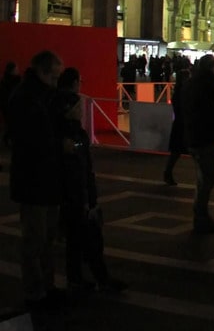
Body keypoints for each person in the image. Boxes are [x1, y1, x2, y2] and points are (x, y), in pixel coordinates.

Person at [53, 72, 126, 294]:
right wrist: (87, 198)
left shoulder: (69, 132)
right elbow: (78, 169)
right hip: (77, 194)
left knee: (77, 240)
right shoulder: (72, 135)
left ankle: (81, 277)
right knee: (88, 238)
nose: (82, 110)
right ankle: (99, 278)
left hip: (76, 193)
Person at [7, 50, 66, 307]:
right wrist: (58, 144)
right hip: (33, 177)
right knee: (35, 238)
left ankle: (47, 286)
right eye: (54, 77)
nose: (56, 83)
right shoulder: (26, 98)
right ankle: (35, 291)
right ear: (42, 72)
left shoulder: (41, 96)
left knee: (47, 238)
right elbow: (31, 139)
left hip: (45, 176)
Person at [183, 54, 214, 234]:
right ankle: (201, 215)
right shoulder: (209, 84)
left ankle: (200, 214)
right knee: (207, 179)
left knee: (202, 178)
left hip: (192, 135)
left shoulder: (191, 82)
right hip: (205, 136)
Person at [163, 67, 190, 186]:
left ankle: (168, 172)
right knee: (181, 150)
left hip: (179, 124)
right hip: (183, 124)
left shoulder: (178, 91)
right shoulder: (183, 92)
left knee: (176, 151)